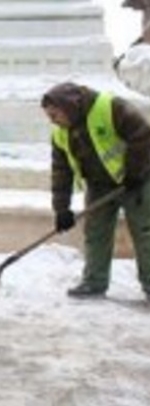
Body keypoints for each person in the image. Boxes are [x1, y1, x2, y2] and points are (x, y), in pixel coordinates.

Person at [41, 82, 150, 300]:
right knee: (96, 233)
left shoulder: (111, 108)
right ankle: (94, 282)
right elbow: (61, 173)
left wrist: (135, 172)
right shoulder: (61, 134)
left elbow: (143, 136)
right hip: (99, 185)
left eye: (55, 115)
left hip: (136, 180)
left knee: (145, 232)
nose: (52, 121)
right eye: (49, 116)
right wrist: (62, 210)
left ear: (70, 107)